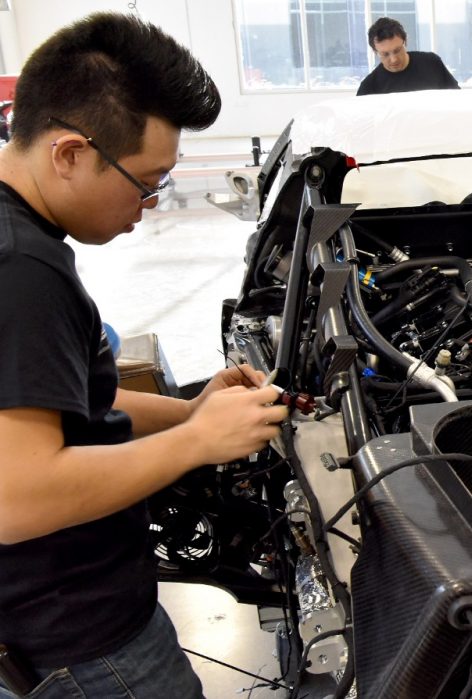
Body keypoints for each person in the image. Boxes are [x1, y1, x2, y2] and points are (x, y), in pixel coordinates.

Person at [0, 13, 287, 698]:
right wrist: (195, 440)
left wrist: (189, 408)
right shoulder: (20, 271)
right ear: (68, 152)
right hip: (82, 641)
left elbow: (67, 403)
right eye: (145, 182)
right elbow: (18, 494)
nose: (149, 205)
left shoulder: (20, 237)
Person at [356, 17, 459, 96]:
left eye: (397, 50)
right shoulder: (369, 87)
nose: (393, 60)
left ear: (405, 42)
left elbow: (457, 98)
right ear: (375, 52)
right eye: (385, 54)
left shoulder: (432, 62)